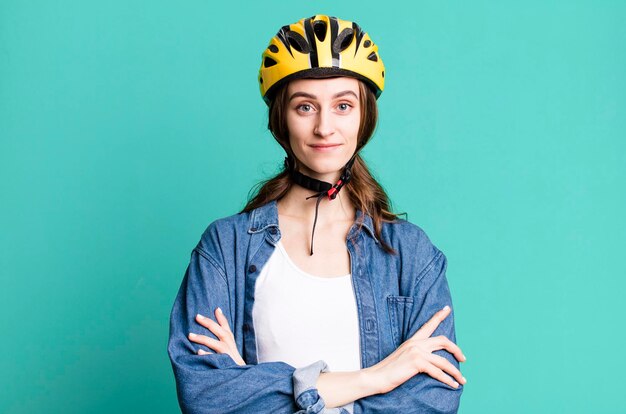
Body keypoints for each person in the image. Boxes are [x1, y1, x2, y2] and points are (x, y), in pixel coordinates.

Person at [168, 14, 466, 414]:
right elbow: (205, 397)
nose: (325, 127)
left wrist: (253, 387)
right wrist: (372, 379)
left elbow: (433, 402)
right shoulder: (227, 248)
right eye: (305, 106)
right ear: (281, 120)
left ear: (364, 117)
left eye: (343, 105)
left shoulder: (411, 254)